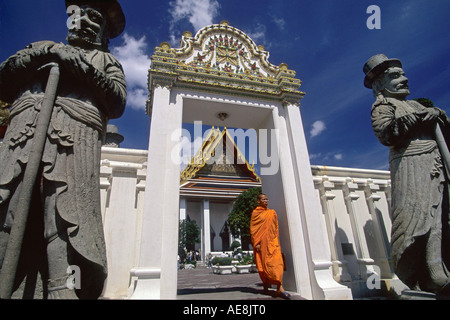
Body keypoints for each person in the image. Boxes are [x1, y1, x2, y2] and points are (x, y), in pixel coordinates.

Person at [0, 0, 126, 299]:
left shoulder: (105, 61)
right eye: (76, 15)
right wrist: (41, 53)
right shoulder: (42, 49)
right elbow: (4, 79)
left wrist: (78, 66)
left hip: (73, 140)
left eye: (93, 17)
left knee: (65, 218)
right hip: (24, 136)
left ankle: (64, 286)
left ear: (105, 31)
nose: (82, 21)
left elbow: (117, 100)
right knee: (8, 208)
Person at [364, 54, 450, 295]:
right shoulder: (383, 107)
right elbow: (386, 135)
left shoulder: (419, 104)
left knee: (438, 216)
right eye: (395, 76)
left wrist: (438, 115)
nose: (404, 78)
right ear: (380, 84)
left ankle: (436, 269)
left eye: (402, 74)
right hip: (410, 166)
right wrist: (420, 118)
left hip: (434, 163)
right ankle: (423, 271)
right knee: (415, 217)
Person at [250, 193, 290, 299]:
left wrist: (276, 240)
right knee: (264, 264)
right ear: (258, 201)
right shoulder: (255, 213)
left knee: (278, 263)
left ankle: (279, 287)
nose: (266, 201)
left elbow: (275, 228)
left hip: (273, 243)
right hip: (262, 243)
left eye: (267, 199)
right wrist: (256, 243)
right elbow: (254, 230)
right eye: (263, 199)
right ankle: (266, 285)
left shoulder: (272, 213)